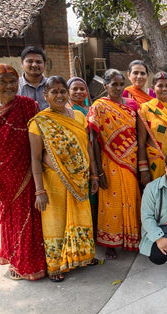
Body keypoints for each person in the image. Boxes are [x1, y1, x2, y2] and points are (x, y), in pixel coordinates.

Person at [0, 64, 46, 280]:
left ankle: (36, 261)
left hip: (28, 172)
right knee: (9, 218)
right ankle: (16, 260)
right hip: (2, 176)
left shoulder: (28, 105)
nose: (8, 86)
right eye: (2, 81)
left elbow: (39, 139)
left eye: (13, 81)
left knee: (32, 216)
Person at [28, 76, 97, 282]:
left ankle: (83, 256)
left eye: (62, 91)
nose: (59, 95)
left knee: (81, 218)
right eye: (54, 92)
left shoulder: (78, 116)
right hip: (54, 180)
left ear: (67, 93)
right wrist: (39, 190)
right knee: (56, 222)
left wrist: (93, 174)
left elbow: (87, 148)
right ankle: (56, 265)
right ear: (45, 95)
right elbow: (36, 158)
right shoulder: (39, 122)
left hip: (80, 178)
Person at [87, 69, 141, 259]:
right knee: (112, 203)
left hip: (131, 161)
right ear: (105, 85)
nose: (118, 88)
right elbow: (93, 140)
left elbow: (139, 133)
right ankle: (110, 242)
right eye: (114, 84)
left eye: (121, 84)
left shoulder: (132, 105)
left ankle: (130, 238)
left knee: (131, 201)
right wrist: (98, 173)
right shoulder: (99, 106)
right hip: (109, 162)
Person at [67, 77, 98, 230]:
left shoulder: (91, 109)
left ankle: (90, 234)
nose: (79, 92)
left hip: (92, 156)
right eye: (75, 89)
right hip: (74, 162)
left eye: (82, 89)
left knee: (92, 199)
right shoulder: (66, 111)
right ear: (68, 92)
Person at [17, 46, 48, 110]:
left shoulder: (52, 85)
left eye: (38, 62)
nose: (34, 65)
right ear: (22, 63)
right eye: (30, 61)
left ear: (44, 64)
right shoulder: (15, 87)